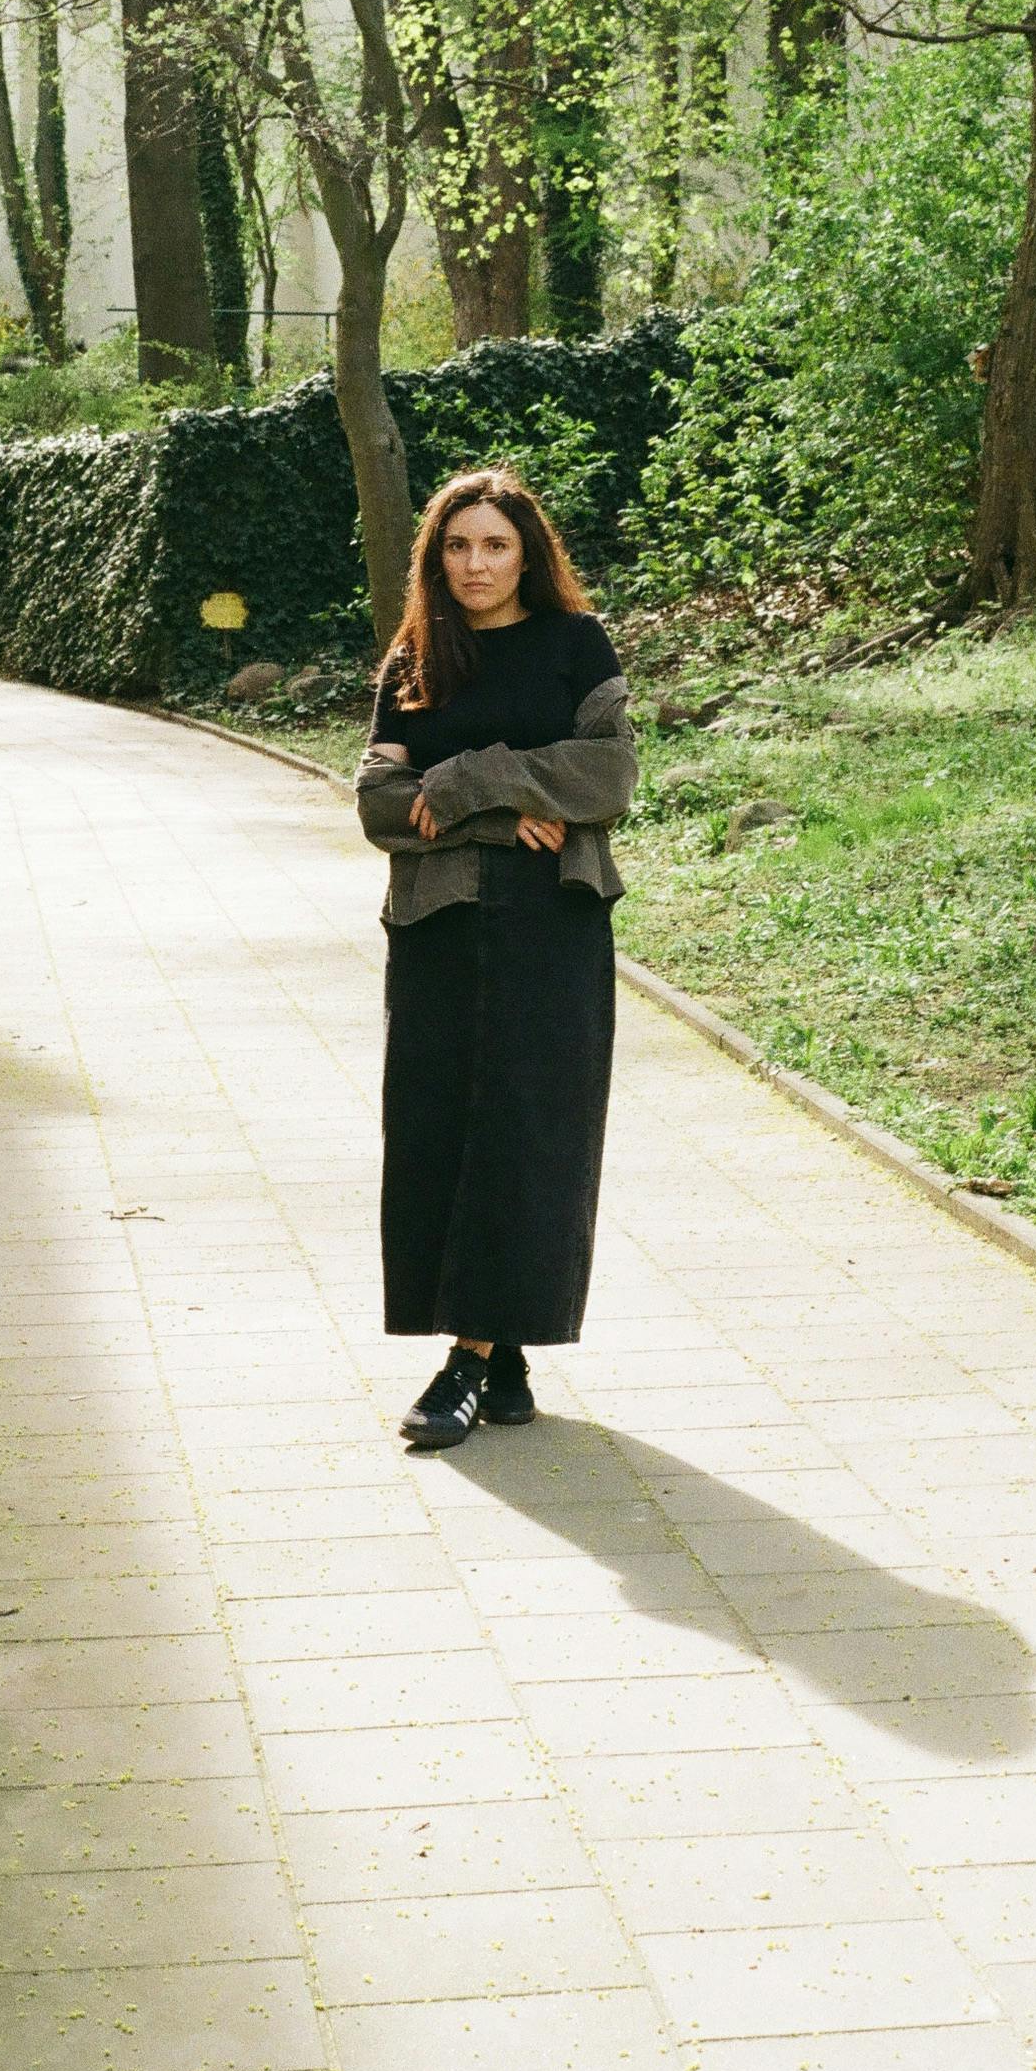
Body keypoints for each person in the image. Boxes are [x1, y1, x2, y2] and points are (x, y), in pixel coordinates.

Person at [355, 469, 638, 1449]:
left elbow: (606, 775)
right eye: (457, 545)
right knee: (438, 1129)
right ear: (435, 557)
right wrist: (500, 811)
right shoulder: (412, 662)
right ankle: (502, 1351)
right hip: (435, 930)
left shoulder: (573, 645)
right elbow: (378, 805)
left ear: (527, 553)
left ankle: (464, 1361)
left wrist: (475, 774)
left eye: (494, 544)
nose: (474, 563)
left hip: (549, 927)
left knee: (524, 1132)